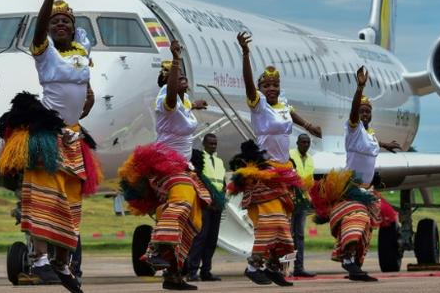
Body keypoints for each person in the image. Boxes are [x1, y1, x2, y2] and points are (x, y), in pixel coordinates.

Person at [0, 0, 100, 293]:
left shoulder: (82, 54)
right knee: (43, 198)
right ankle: (39, 259)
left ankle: (62, 263)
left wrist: (88, 99)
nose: (60, 24)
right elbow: (39, 31)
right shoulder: (44, 53)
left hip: (73, 135)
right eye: (55, 21)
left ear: (73, 27)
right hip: (47, 135)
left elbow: (85, 93)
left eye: (66, 20)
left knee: (70, 205)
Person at [228, 32, 322, 288]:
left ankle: (273, 267)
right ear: (260, 89)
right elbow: (248, 83)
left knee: (283, 227)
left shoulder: (282, 106)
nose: (271, 89)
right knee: (272, 222)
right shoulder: (258, 105)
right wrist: (246, 54)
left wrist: (309, 126)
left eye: (275, 85)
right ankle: (252, 266)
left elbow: (291, 113)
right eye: (267, 85)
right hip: (264, 171)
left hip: (283, 172)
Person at [118, 40, 212, 291]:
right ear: (168, 80)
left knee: (194, 220)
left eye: (183, 76)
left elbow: (184, 105)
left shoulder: (183, 103)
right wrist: (176, 59)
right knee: (181, 204)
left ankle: (173, 274)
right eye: (176, 76)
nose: (182, 79)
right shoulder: (167, 100)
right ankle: (155, 249)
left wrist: (197, 104)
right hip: (165, 166)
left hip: (183, 166)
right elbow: (172, 97)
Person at [309, 66, 382, 282]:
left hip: (367, 190)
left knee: (366, 228)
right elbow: (354, 114)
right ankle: (348, 259)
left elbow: (370, 152)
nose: (364, 114)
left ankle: (355, 265)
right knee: (356, 219)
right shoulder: (354, 129)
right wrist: (359, 89)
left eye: (367, 111)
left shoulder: (370, 134)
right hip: (352, 188)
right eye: (361, 111)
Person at [186, 133, 225, 282]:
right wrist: (209, 198)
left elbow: (222, 182)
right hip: (205, 203)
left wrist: (220, 198)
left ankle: (206, 271)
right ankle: (192, 271)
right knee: (200, 237)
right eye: (210, 144)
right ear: (204, 144)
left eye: (215, 144)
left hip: (217, 205)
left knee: (212, 239)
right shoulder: (198, 158)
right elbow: (197, 180)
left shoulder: (219, 161)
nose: (213, 146)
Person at [289, 134, 316, 277]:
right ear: (297, 142)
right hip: (290, 200)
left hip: (303, 202)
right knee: (287, 234)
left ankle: (299, 267)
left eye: (308, 142)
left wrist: (309, 199)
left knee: (299, 235)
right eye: (303, 142)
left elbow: (309, 181)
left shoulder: (311, 159)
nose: (305, 144)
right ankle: (283, 268)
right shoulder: (290, 155)